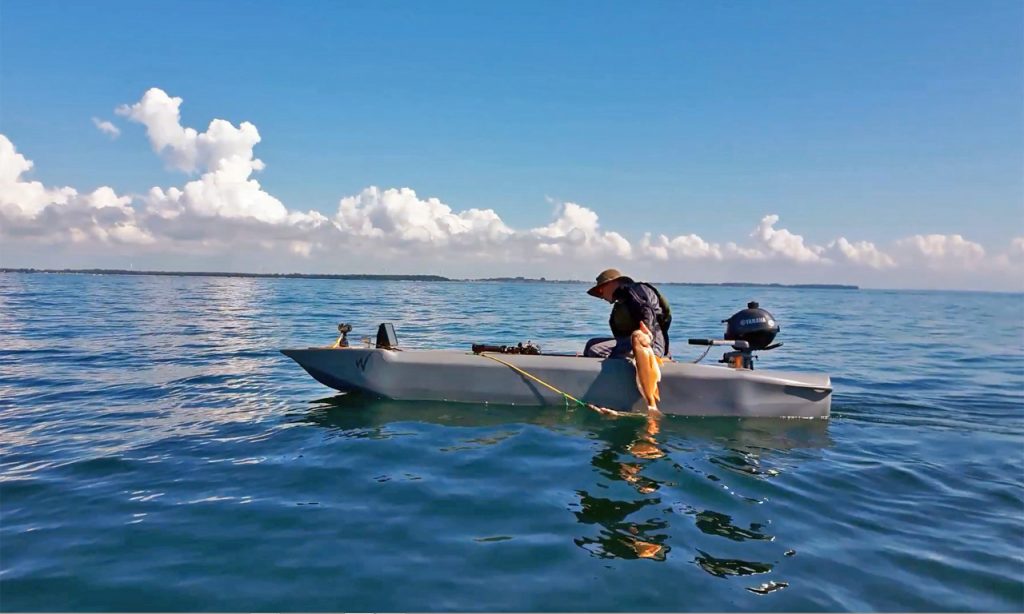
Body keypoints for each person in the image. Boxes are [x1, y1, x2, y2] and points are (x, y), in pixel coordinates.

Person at [583, 268, 672, 359]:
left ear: (612, 283)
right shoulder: (621, 302)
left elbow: (647, 311)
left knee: (594, 349)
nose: (601, 297)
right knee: (591, 343)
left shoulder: (636, 290)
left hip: (651, 346)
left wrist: (645, 338)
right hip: (630, 342)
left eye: (600, 291)